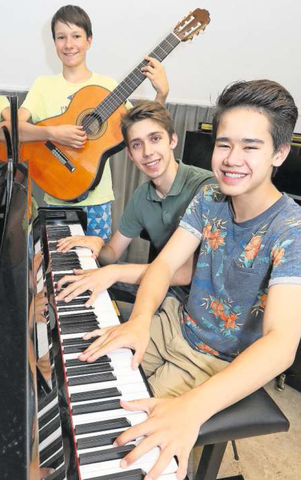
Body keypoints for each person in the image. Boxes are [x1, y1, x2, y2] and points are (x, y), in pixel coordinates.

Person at [58, 79, 301, 480]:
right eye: (224, 144)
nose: (231, 158)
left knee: (119, 443)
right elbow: (165, 266)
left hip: (214, 360)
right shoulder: (210, 200)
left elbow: (282, 344)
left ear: (279, 153)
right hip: (173, 320)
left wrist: (193, 407)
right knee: (81, 374)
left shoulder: (291, 228)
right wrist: (137, 321)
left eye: (250, 146)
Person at [18, 4, 169, 241]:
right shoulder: (43, 86)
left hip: (98, 203)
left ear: (89, 40)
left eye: (76, 36)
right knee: (53, 270)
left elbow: (141, 130)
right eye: (61, 37)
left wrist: (161, 95)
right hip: (56, 198)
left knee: (96, 268)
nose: (69, 44)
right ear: (54, 43)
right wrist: (54, 132)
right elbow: (12, 130)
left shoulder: (107, 87)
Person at [56, 100, 214, 302]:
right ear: (130, 154)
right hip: (167, 287)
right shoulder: (142, 196)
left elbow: (185, 273)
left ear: (172, 140)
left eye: (155, 138)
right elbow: (112, 254)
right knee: (78, 284)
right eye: (137, 144)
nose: (147, 152)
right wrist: (96, 244)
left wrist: (114, 273)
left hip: (205, 300)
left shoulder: (205, 188)